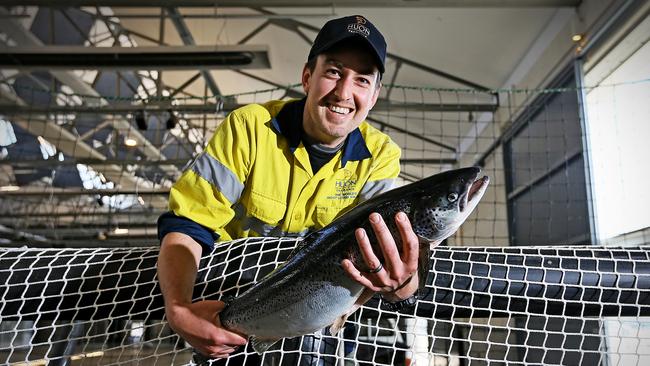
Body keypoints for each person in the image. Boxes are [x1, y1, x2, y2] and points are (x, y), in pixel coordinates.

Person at [157, 14, 424, 365]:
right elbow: (188, 223)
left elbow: (383, 257)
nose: (344, 92)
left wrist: (404, 286)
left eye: (361, 80)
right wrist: (177, 308)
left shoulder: (380, 156)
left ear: (374, 97)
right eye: (333, 72)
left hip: (321, 324)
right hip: (233, 311)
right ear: (307, 77)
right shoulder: (249, 128)